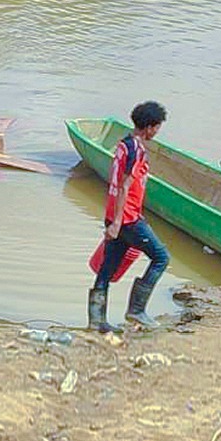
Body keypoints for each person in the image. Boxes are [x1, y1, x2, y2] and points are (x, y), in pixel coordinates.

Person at [88, 100, 170, 332]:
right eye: (157, 128)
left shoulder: (123, 144)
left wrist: (115, 219)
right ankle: (136, 310)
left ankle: (96, 321)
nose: (157, 132)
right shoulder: (137, 150)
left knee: (106, 269)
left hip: (118, 214)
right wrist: (117, 223)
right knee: (161, 257)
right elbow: (125, 187)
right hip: (126, 219)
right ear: (150, 127)